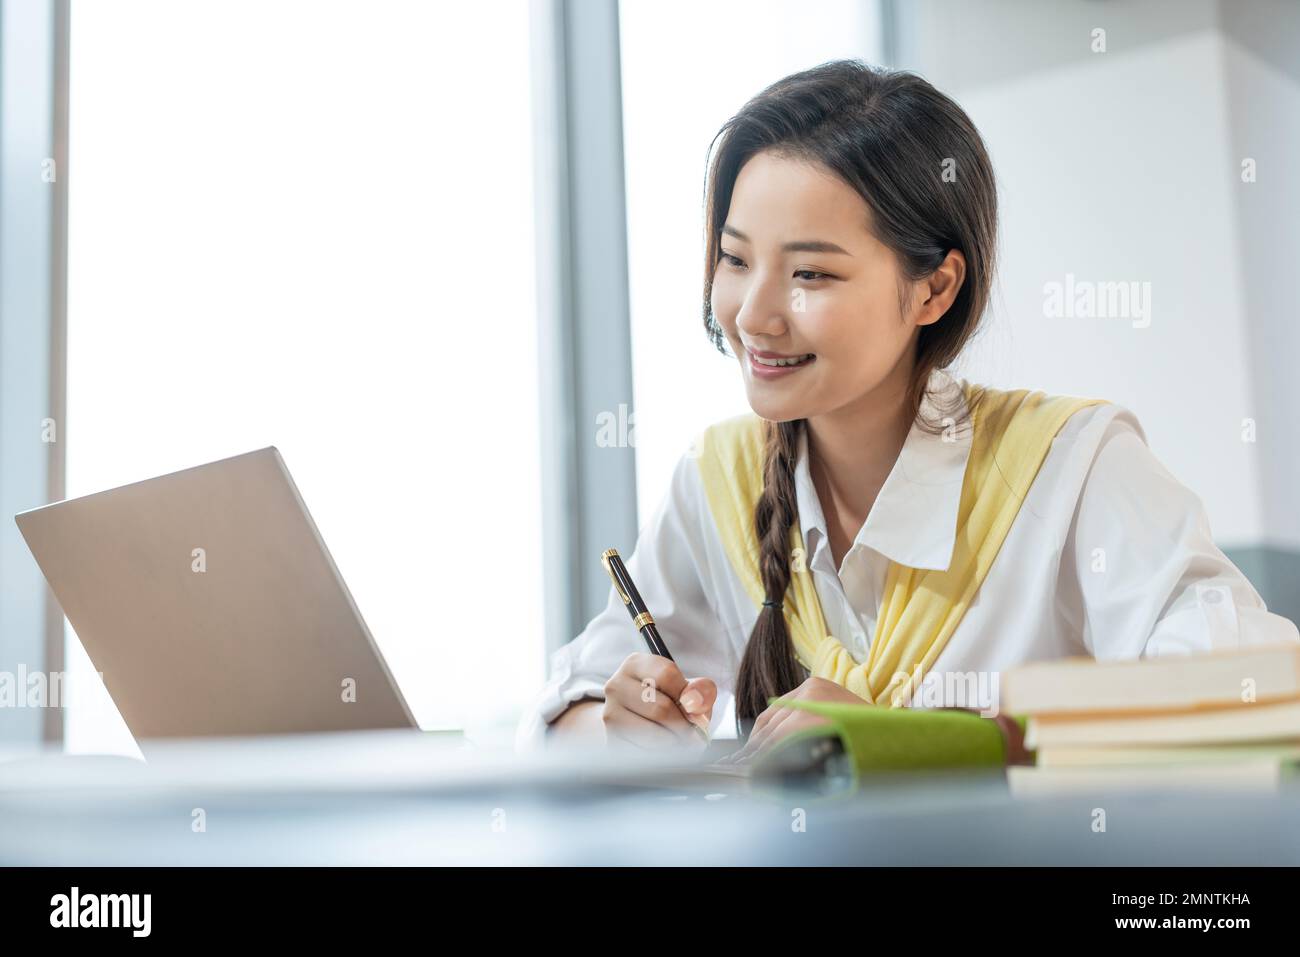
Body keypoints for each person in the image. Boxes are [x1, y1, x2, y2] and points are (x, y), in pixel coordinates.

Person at [516, 59, 1299, 761]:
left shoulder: (1073, 463)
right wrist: (617, 722)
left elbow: (1254, 698)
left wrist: (926, 742)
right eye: (735, 258)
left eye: (811, 275)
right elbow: (558, 714)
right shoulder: (721, 477)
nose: (754, 314)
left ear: (935, 288)